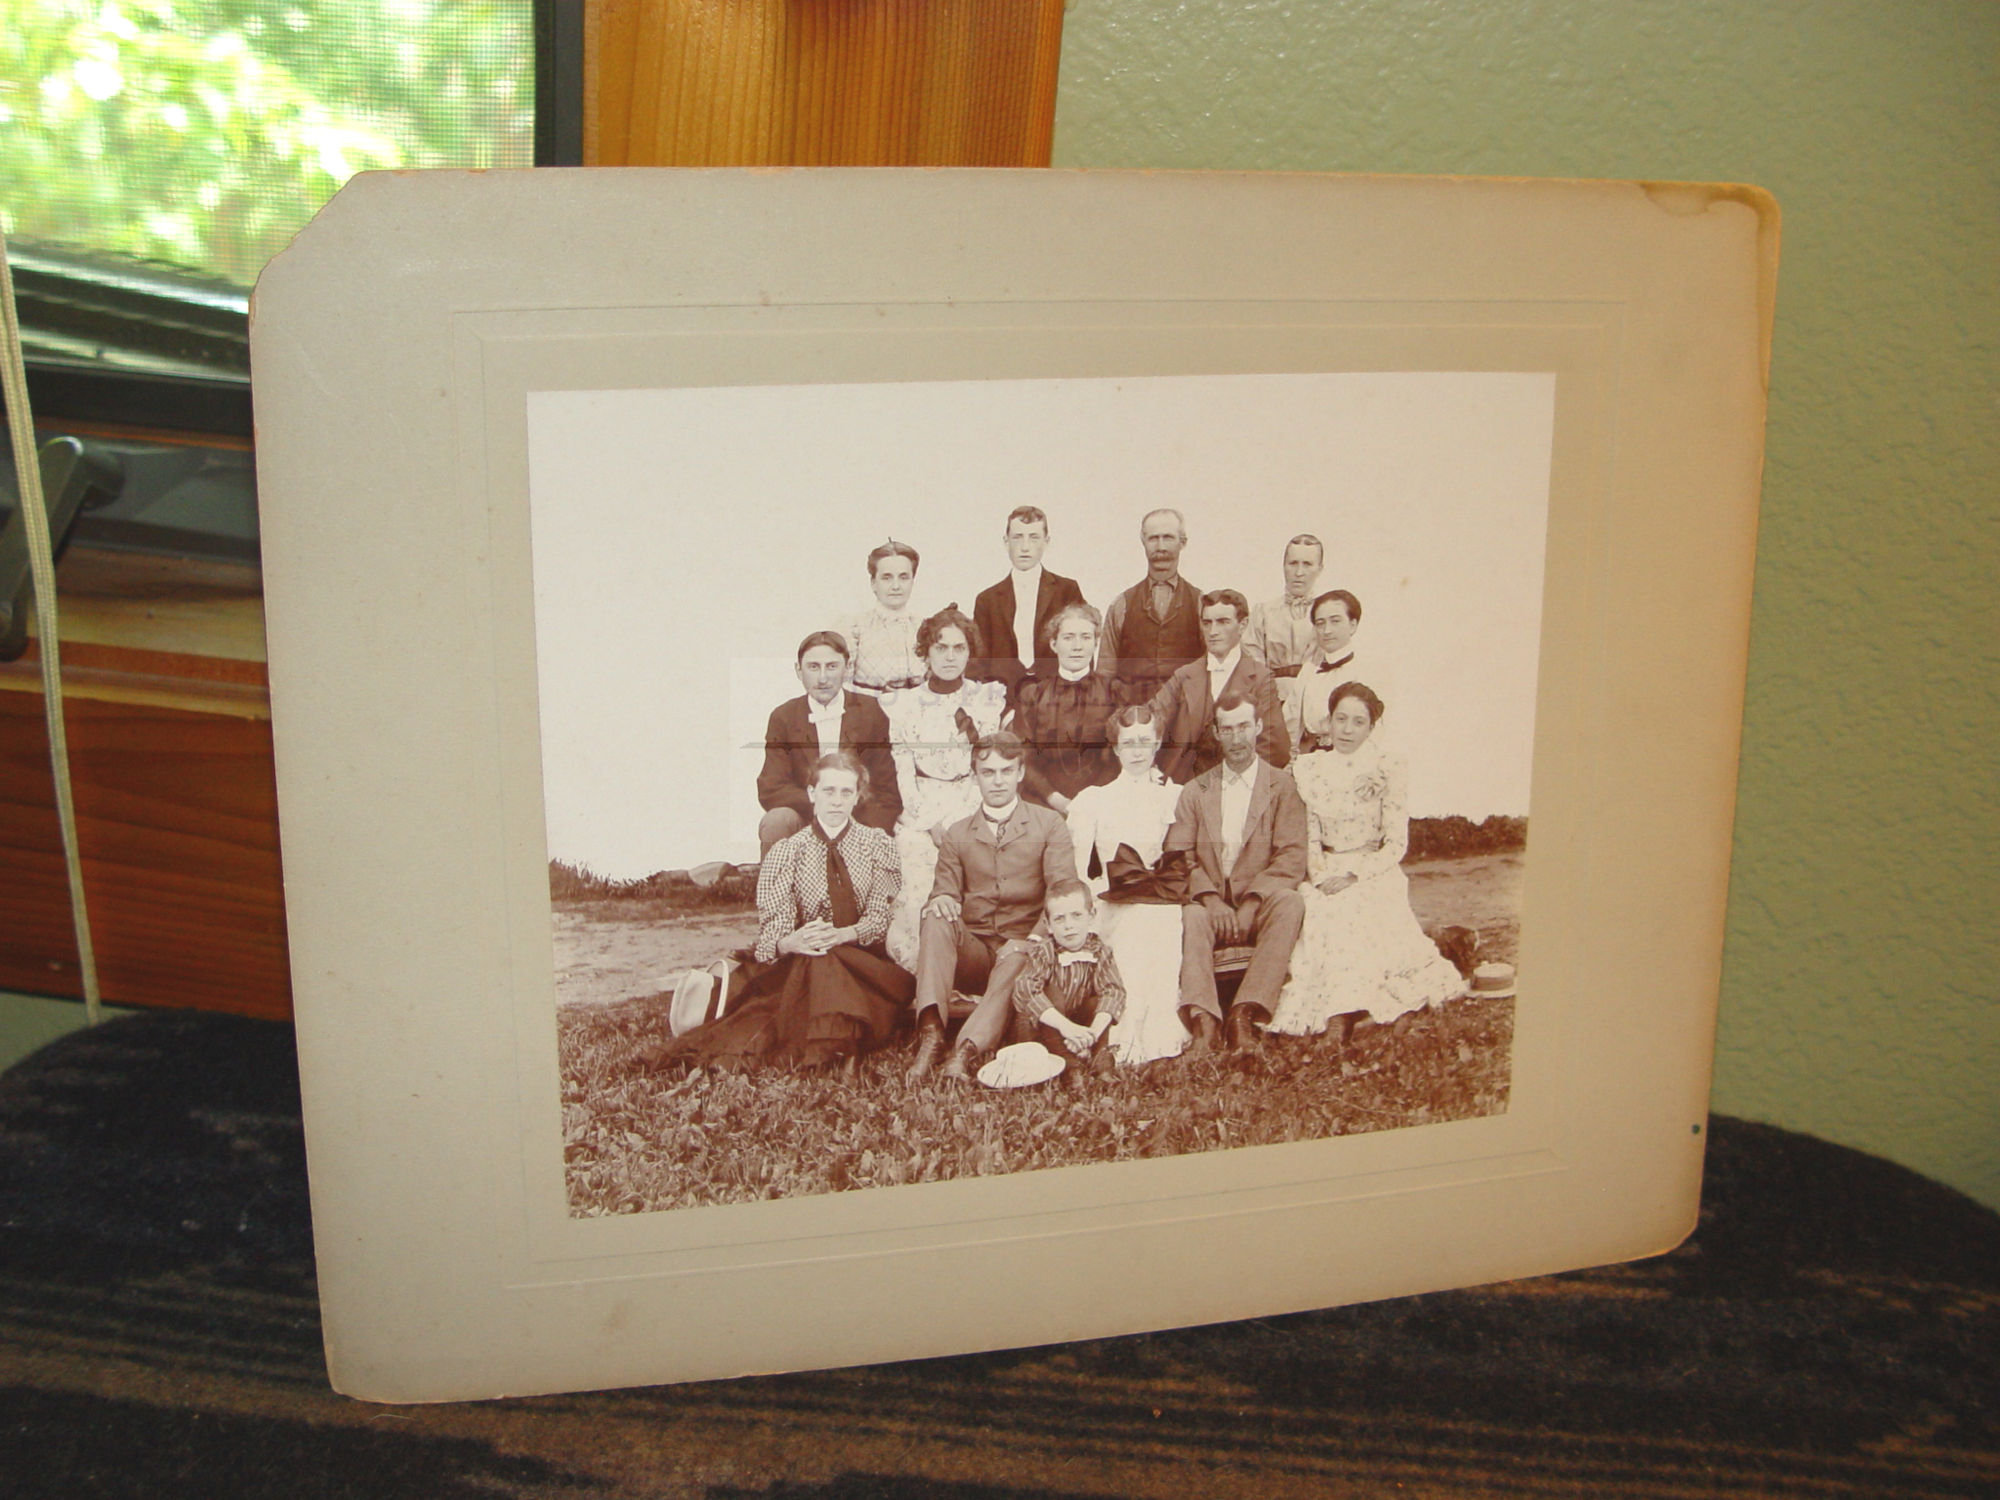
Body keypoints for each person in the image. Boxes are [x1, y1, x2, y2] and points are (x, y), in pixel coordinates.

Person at [658, 753, 914, 1070]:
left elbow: (880, 916)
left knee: (828, 959)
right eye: (828, 791)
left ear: (857, 796)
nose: (837, 801)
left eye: (846, 792)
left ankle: (829, 1044)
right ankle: (839, 1048)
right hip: (804, 961)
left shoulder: (877, 845)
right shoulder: (788, 852)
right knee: (818, 960)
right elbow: (773, 932)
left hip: (864, 963)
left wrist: (842, 935)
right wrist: (792, 942)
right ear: (812, 794)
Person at [1267, 683, 1466, 1038]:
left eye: (1358, 722)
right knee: (1322, 909)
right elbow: (1310, 834)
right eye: (1340, 719)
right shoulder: (1310, 768)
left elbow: (1396, 844)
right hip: (1325, 869)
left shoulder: (1388, 766)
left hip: (1373, 870)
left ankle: (1344, 1016)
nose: (1347, 730)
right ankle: (1340, 1011)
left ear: (1372, 727)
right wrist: (1319, 876)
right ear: (1328, 721)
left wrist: (1354, 874)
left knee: (1355, 909)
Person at [907, 731, 1077, 1081]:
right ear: (975, 776)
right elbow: (945, 891)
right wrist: (942, 898)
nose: (997, 781)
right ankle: (931, 1034)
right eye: (988, 772)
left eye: (1006, 771)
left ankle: (965, 1051)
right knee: (935, 916)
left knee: (1018, 954)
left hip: (1025, 950)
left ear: (1020, 773)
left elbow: (1061, 893)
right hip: (976, 953)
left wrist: (1034, 938)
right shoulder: (957, 833)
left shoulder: (1049, 824)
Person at [1163, 694, 1309, 1051]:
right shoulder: (1195, 791)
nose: (1236, 738)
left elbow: (1291, 854)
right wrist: (1210, 899)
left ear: (1258, 727)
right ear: (1216, 733)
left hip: (1259, 904)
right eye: (1227, 729)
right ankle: (1204, 1020)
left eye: (1243, 727)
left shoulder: (1282, 786)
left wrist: (1254, 901)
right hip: (1211, 903)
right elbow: (1178, 856)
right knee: (1191, 916)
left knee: (1290, 903)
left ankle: (1244, 1013)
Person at [1063, 704, 1191, 1066]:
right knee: (1135, 922)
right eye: (1128, 743)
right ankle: (1121, 1033)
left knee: (1159, 920)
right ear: (1116, 748)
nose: (1137, 752)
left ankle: (1155, 1032)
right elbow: (1077, 869)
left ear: (1157, 744)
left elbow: (1178, 855)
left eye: (1144, 742)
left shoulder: (1171, 796)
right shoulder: (1094, 799)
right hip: (1111, 897)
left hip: (1158, 894)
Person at [883, 606, 1009, 968]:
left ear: (969, 652)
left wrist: (959, 824)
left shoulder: (986, 699)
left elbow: (987, 768)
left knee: (978, 856)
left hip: (971, 802)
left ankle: (972, 965)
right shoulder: (903, 704)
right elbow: (903, 769)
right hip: (922, 806)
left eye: (958, 648)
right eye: (941, 648)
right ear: (926, 652)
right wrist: (928, 822)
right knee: (915, 854)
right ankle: (921, 965)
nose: (950, 657)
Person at [755, 631, 901, 855]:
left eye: (832, 666)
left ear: (847, 668)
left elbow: (886, 790)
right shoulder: (783, 716)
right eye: (813, 667)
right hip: (805, 815)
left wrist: (855, 823)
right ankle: (777, 879)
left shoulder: (871, 712)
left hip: (857, 816)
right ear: (798, 671)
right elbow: (771, 788)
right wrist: (820, 805)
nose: (823, 678)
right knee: (777, 821)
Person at [1144, 588, 1290, 784]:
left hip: (1237, 786)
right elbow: (1149, 719)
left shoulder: (1261, 678)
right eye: (1207, 623)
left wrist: (1235, 782)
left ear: (1242, 625)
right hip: (1183, 783)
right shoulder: (1184, 675)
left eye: (1223, 622)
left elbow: (1276, 747)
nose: (1213, 632)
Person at [970, 506, 1087, 706]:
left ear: (1046, 542)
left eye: (1034, 538)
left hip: (1059, 697)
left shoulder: (1067, 590)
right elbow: (980, 662)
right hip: (1005, 699)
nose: (1025, 547)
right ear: (1006, 542)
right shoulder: (987, 600)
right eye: (1017, 537)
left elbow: (1083, 645)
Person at [1010, 602, 1120, 813]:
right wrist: (1054, 799)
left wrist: (1092, 802)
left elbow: (1117, 756)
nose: (1077, 646)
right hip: (1043, 803)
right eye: (1068, 638)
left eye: (1086, 637)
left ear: (1096, 643)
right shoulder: (1032, 696)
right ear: (1054, 644)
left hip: (1101, 804)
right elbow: (1024, 758)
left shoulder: (1113, 692)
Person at [1010, 879, 1125, 1076]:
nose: (1069, 926)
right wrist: (1067, 1028)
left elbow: (1114, 992)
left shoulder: (1100, 951)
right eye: (1059, 919)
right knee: (1052, 992)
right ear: (1048, 925)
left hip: (1079, 1026)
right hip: (1041, 1027)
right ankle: (1070, 1067)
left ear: (1091, 916)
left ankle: (1101, 1061)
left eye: (1076, 916)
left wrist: (1091, 1034)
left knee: (1099, 1002)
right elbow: (1025, 990)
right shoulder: (1043, 952)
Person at [1100, 508, 1204, 706]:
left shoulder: (1200, 603)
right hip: (1132, 716)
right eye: (1153, 538)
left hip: (1183, 715)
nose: (1161, 546)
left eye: (1168, 537)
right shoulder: (1121, 604)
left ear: (1183, 542)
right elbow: (1105, 673)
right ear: (1143, 541)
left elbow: (1211, 669)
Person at [1288, 588, 1380, 751]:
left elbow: (1378, 730)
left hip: (1356, 756)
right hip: (1313, 757)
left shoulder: (1369, 671)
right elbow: (1290, 723)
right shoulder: (1308, 671)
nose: (1327, 631)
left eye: (1335, 621)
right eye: (1320, 623)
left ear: (1353, 625)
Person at [839, 540, 927, 700]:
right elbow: (842, 686)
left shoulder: (924, 626)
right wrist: (880, 695)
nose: (896, 586)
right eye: (887, 578)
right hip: (870, 710)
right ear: (873, 583)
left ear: (912, 581)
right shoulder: (854, 627)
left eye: (904, 577)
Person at [1244, 534, 1326, 678]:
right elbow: (1252, 666)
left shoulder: (1328, 613)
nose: (1299, 573)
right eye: (1293, 563)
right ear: (1283, 566)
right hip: (1271, 689)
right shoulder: (1262, 613)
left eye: (1307, 564)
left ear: (1319, 569)